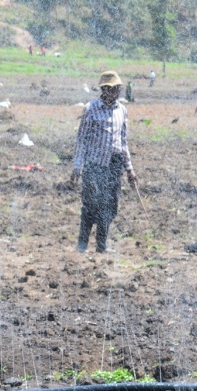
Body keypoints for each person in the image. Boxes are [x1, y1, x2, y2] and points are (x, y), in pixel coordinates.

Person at [70, 71, 137, 254]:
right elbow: (82, 139)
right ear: (104, 90)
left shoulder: (122, 110)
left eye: (118, 89)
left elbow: (123, 142)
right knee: (91, 203)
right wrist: (77, 166)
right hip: (94, 163)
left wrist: (129, 169)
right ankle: (82, 243)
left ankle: (102, 244)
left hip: (114, 164)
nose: (116, 92)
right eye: (113, 89)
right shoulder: (91, 108)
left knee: (110, 205)